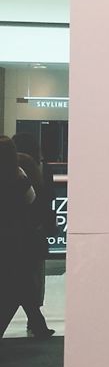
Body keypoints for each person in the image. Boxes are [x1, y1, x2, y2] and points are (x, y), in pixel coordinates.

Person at [0, 135, 54, 339]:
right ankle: (38, 325)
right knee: (22, 284)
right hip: (19, 237)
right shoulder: (19, 175)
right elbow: (31, 200)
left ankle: (38, 324)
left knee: (19, 284)